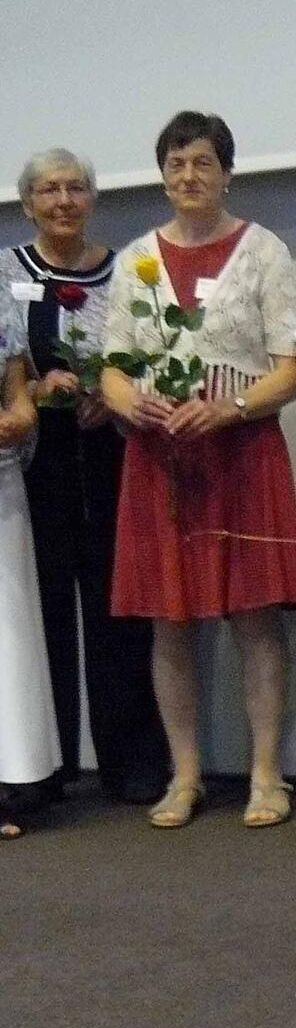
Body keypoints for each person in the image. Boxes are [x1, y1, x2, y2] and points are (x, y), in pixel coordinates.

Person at [102, 111, 296, 830]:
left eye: (201, 163)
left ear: (227, 172)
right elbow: (113, 371)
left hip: (243, 456)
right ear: (162, 175)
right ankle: (185, 775)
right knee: (170, 624)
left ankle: (264, 774)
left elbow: (292, 373)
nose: (188, 177)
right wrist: (140, 402)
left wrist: (231, 409)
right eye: (175, 164)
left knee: (254, 620)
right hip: (161, 462)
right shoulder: (136, 260)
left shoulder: (264, 252)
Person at [2, 149, 167, 807]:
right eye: (49, 190)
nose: (63, 200)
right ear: (28, 203)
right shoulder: (6, 271)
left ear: (93, 198)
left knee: (119, 612)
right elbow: (6, 365)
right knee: (38, 617)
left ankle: (132, 762)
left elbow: (153, 350)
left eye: (75, 188)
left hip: (112, 460)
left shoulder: (126, 270)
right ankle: (48, 767)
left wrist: (114, 392)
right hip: (34, 467)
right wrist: (39, 390)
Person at [0, 284, 61, 839]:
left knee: (9, 633)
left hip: (1, 474)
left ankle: (12, 784)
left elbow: (16, 378)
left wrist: (22, 412)